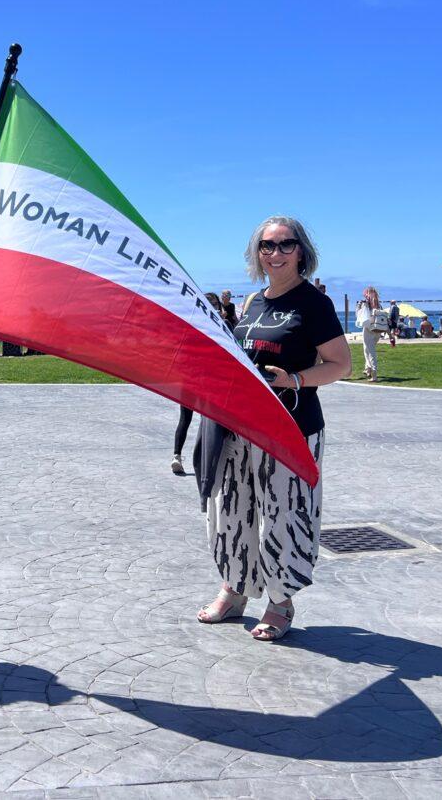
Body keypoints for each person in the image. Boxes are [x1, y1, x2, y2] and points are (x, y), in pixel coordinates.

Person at [197, 216, 350, 642]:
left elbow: (341, 365)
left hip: (292, 428)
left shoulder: (313, 304)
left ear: (302, 251)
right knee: (233, 510)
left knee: (285, 515)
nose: (275, 253)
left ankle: (281, 601)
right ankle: (235, 588)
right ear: (256, 252)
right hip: (241, 427)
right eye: (267, 245)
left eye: (285, 245)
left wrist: (294, 380)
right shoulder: (251, 302)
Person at [172, 292, 223, 475]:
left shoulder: (192, 325)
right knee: (204, 421)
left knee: (188, 419)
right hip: (204, 381)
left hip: (193, 379)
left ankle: (177, 456)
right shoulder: (219, 328)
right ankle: (202, 459)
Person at [354, 286, 385, 381]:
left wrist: (358, 306)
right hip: (378, 330)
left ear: (367, 293)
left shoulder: (366, 303)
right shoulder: (379, 304)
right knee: (367, 350)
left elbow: (359, 315)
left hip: (368, 329)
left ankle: (374, 374)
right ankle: (368, 369)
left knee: (370, 351)